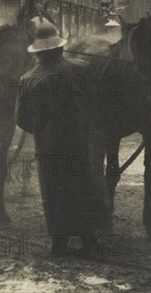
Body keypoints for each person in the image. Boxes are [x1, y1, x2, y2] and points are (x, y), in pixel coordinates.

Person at [15, 22, 107, 256]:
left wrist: (44, 129)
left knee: (53, 190)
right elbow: (95, 103)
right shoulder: (81, 70)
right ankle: (89, 240)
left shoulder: (27, 79)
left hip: (48, 146)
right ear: (59, 48)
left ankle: (59, 243)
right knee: (83, 186)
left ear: (38, 52)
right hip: (78, 141)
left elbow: (22, 119)